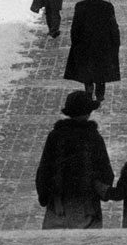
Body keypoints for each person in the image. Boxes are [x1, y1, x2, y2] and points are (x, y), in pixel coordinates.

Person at [35, 90, 114, 229]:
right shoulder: (93, 138)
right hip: (87, 207)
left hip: (58, 206)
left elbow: (44, 170)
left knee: (56, 240)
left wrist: (44, 196)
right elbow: (105, 172)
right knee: (88, 240)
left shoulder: (55, 137)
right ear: (88, 112)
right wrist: (103, 190)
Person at [64, 0, 120, 103]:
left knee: (87, 70)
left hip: (85, 45)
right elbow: (113, 28)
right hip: (102, 45)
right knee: (101, 71)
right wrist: (115, 44)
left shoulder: (80, 6)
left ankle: (89, 92)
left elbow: (75, 28)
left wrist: (75, 44)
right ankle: (100, 95)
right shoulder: (107, 7)